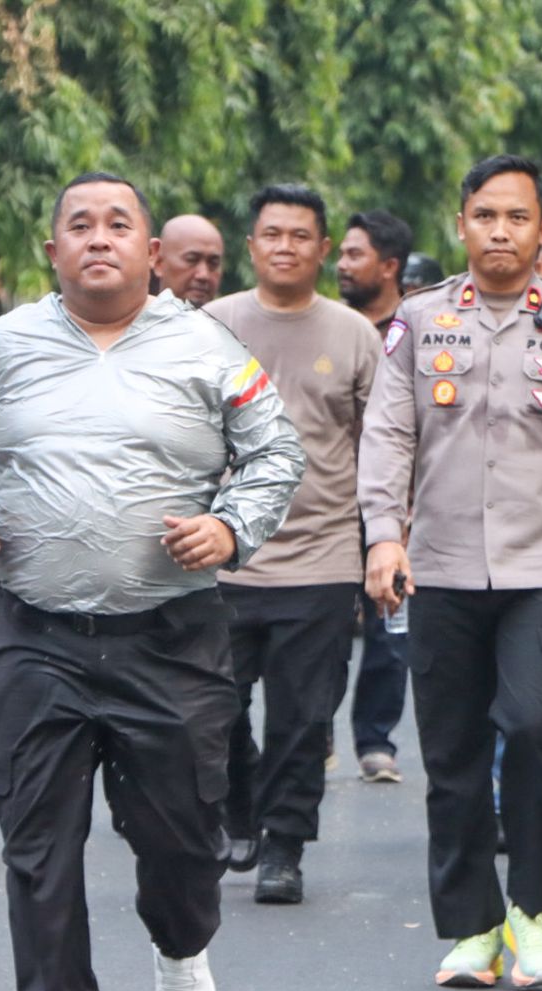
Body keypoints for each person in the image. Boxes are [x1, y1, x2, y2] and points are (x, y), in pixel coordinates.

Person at [0, 171, 305, 991]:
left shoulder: (208, 348)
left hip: (169, 637)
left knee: (179, 840)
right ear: (51, 251)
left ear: (152, 253)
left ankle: (181, 947)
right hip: (35, 632)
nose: (98, 238)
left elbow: (275, 450)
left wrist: (230, 525)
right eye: (78, 226)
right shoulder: (1, 347)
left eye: (118, 225)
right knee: (38, 837)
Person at [358, 154, 542, 990]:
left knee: (532, 728)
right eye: (485, 215)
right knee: (450, 756)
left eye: (516, 217)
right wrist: (385, 536)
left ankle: (534, 913)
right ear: (462, 224)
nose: (500, 231)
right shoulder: (417, 322)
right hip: (441, 569)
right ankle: (475, 930)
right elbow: (388, 436)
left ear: (541, 229)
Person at [204, 184, 380, 899]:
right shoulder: (210, 325)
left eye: (299, 235)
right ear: (252, 247)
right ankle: (239, 804)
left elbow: (383, 449)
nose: (284, 246)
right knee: (209, 707)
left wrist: (384, 548)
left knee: (303, 720)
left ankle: (284, 846)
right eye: (271, 233)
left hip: (322, 559)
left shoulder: (354, 335)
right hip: (219, 557)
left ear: (323, 249)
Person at [335, 208, 415, 783]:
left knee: (391, 625)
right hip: (331, 505)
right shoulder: (328, 327)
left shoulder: (415, 330)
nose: (341, 264)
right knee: (325, 625)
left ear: (389, 266)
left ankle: (375, 740)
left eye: (354, 254)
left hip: (398, 505)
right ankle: (313, 732)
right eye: (340, 253)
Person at [153, 214, 224, 307]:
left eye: (213, 263)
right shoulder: (132, 319)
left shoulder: (231, 319)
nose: (203, 275)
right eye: (192, 260)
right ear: (159, 262)